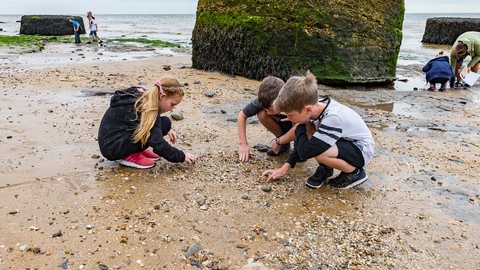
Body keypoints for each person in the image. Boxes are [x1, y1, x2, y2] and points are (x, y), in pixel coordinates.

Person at [262, 71, 375, 189]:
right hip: (342, 142)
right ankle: (326, 168)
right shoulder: (314, 108)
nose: (289, 119)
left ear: (308, 110)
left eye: (290, 115)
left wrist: (301, 127)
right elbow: (306, 142)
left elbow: (306, 151)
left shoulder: (332, 118)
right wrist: (284, 167)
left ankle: (355, 173)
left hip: (362, 149)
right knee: (312, 137)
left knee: (319, 152)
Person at [98, 77, 196, 169]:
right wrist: (182, 156)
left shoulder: (143, 95)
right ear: (162, 96)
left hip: (114, 139)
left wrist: (167, 128)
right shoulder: (149, 109)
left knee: (165, 123)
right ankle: (128, 155)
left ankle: (136, 150)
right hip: (112, 149)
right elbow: (158, 144)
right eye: (172, 104)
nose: (171, 109)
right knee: (156, 130)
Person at [237, 76, 297, 162]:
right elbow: (241, 115)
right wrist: (243, 144)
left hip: (298, 127)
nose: (268, 112)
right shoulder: (263, 100)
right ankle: (284, 145)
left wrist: (278, 142)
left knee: (298, 121)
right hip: (282, 124)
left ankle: (297, 148)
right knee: (262, 114)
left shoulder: (292, 102)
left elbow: (300, 126)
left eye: (271, 109)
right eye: (266, 109)